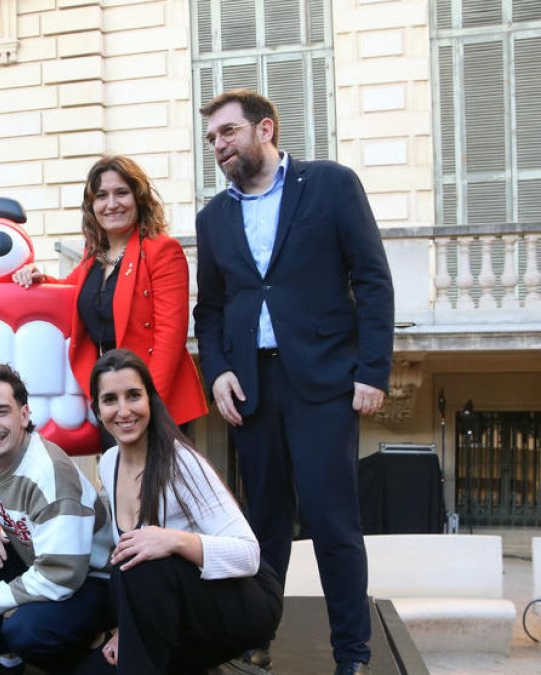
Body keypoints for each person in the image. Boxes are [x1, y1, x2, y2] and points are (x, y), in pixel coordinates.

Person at [194, 89, 394, 675]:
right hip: (253, 389)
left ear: (265, 128)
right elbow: (210, 310)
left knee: (334, 523)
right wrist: (220, 371)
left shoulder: (331, 185)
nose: (219, 146)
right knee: (264, 526)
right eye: (211, 139)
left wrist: (372, 370)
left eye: (228, 132)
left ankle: (352, 656)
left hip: (326, 382)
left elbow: (373, 280)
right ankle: (258, 638)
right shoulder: (214, 217)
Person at [77, 349, 281, 674]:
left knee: (141, 566)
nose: (124, 410)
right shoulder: (111, 461)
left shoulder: (180, 462)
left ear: (151, 400)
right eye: (110, 400)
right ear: (97, 410)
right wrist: (126, 631)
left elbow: (248, 555)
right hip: (176, 604)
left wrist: (174, 540)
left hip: (245, 600)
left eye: (134, 396)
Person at [0, 362, 115, 675]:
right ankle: (0, 658)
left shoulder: (49, 473)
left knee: (26, 629)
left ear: (24, 414)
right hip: (38, 562)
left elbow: (62, 574)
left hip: (93, 579)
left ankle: (91, 656)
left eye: (2, 411)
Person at [12, 155, 208, 430]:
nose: (112, 204)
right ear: (91, 206)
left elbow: (170, 337)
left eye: (121, 193)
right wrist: (36, 277)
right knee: (115, 473)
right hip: (111, 398)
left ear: (139, 198)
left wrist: (147, 403)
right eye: (101, 196)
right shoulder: (96, 256)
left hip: (152, 400)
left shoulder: (161, 250)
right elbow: (70, 289)